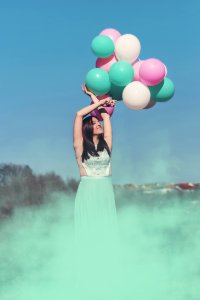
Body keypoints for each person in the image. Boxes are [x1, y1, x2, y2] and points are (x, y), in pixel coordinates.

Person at [73, 85, 121, 299]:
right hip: (89, 190)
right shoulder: (80, 147)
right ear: (87, 129)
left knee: (106, 232)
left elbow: (106, 118)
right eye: (94, 124)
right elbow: (79, 114)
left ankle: (107, 278)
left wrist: (98, 100)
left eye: (98, 122)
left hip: (105, 191)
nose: (98, 123)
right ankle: (87, 278)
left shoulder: (107, 144)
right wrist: (99, 101)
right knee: (89, 232)